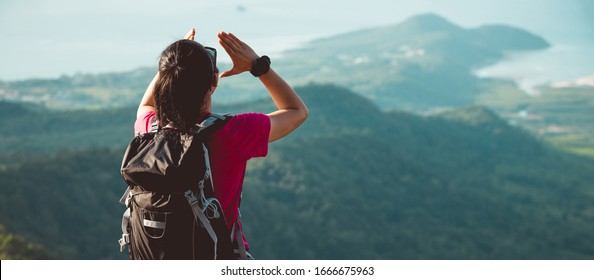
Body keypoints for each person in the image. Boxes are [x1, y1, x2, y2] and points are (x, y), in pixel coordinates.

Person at [133, 28, 308, 259]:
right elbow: (297, 111)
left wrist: (175, 63)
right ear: (214, 81)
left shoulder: (149, 130)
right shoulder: (232, 133)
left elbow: (146, 105)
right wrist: (258, 66)